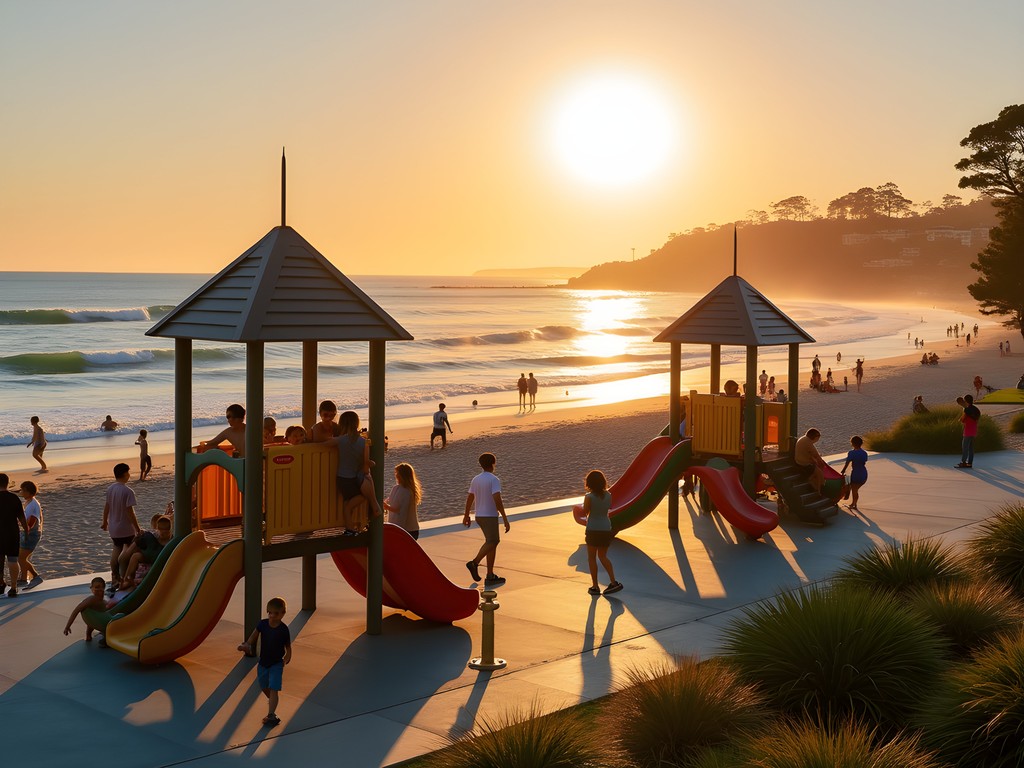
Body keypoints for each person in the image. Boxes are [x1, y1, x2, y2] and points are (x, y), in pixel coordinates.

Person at [238, 596, 292, 728]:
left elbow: (288, 646)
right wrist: (247, 644)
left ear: (283, 613)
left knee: (274, 688)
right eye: (270, 612)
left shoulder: (283, 630)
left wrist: (287, 657)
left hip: (276, 663)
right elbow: (254, 635)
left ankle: (271, 715)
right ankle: (273, 701)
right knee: (263, 686)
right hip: (263, 663)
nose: (272, 616)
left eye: (276, 613)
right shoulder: (262, 624)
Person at [327, 410, 381, 534]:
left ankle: (349, 528)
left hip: (343, 478)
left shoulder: (341, 440)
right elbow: (366, 462)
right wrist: (371, 463)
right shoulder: (363, 442)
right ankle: (373, 507)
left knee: (348, 504)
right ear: (357, 423)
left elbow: (325, 443)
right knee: (355, 500)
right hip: (353, 479)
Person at [463, 452, 509, 586]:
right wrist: (505, 518)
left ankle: (490, 575)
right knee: (494, 540)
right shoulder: (494, 479)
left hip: (479, 515)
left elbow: (470, 498)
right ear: (493, 464)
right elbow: (497, 500)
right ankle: (474, 563)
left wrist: (466, 515)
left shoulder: (476, 479)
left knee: (491, 543)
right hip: (490, 515)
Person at [101, 462, 141, 594]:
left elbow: (107, 507)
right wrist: (138, 528)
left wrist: (105, 522)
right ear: (124, 474)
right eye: (128, 472)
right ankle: (125, 577)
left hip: (114, 527)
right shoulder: (128, 491)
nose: (129, 475)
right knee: (127, 553)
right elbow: (130, 512)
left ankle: (115, 577)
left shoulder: (110, 489)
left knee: (116, 548)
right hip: (125, 527)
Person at [581, 470, 622, 596]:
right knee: (603, 556)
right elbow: (607, 508)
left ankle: (595, 586)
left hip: (593, 528)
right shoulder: (608, 495)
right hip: (605, 528)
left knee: (592, 558)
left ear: (589, 483)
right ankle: (613, 582)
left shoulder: (589, 497)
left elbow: (585, 512)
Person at [120, 514, 172, 589]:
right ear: (157, 529)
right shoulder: (154, 537)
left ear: (170, 531)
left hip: (161, 563)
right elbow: (130, 551)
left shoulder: (171, 541)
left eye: (166, 532)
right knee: (135, 556)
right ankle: (127, 580)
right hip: (151, 557)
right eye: (161, 532)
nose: (163, 534)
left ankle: (141, 581)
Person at [0, 473, 28, 597]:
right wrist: (26, 530)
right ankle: (14, 587)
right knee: (12, 560)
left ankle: (0, 584)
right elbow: (22, 517)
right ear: (7, 483)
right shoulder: (14, 498)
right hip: (12, 533)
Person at [63, 577, 108, 641]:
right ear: (91, 588)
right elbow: (76, 610)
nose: (99, 589)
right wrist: (67, 627)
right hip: (97, 620)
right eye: (97, 587)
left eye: (102, 587)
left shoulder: (103, 600)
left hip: (99, 616)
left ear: (104, 588)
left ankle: (89, 635)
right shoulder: (91, 599)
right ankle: (90, 634)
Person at [384, 463, 421, 539]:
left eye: (397, 473)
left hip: (407, 530)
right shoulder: (398, 488)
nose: (396, 475)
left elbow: (399, 510)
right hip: (407, 529)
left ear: (402, 475)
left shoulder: (406, 491)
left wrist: (386, 507)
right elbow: (390, 500)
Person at [17, 480, 42, 584]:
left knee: (21, 558)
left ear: (28, 491)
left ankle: (35, 576)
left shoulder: (33, 505)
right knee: (22, 557)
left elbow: (31, 523)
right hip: (26, 533)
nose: (21, 492)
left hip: (30, 535)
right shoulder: (28, 502)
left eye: (22, 490)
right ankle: (24, 578)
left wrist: (22, 528)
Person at [840, 436, 868, 511]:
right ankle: (854, 504)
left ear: (852, 444)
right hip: (864, 472)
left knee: (854, 490)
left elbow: (847, 463)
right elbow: (864, 461)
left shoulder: (851, 453)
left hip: (856, 473)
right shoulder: (864, 453)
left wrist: (843, 470)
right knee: (855, 490)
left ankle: (853, 505)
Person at [794, 428, 827, 493]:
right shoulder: (808, 443)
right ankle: (819, 490)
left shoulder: (804, 439)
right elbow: (817, 456)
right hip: (803, 463)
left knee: (816, 472)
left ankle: (815, 485)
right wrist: (823, 465)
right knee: (819, 474)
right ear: (815, 437)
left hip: (799, 460)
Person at [957, 394, 981, 469]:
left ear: (966, 401)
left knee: (965, 447)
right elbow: (977, 419)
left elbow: (962, 420)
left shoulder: (966, 410)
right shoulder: (976, 409)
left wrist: (960, 420)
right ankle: (970, 463)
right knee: (971, 448)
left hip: (967, 430)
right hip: (974, 430)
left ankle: (963, 462)